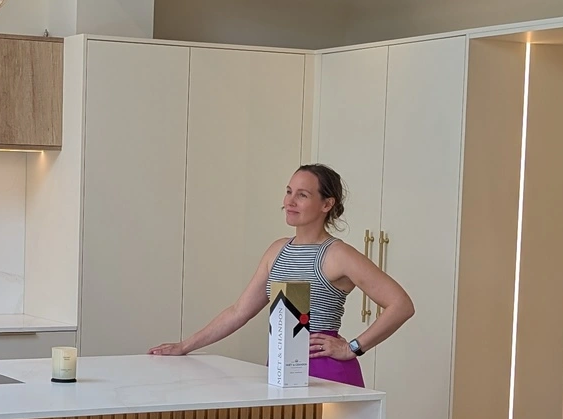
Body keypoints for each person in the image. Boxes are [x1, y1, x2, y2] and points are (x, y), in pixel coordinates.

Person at [151, 163, 413, 386]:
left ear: (326, 204)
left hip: (325, 373)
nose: (290, 201)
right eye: (289, 192)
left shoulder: (338, 254)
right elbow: (239, 312)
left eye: (302, 195)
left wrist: (352, 347)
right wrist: (185, 346)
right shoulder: (277, 251)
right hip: (280, 367)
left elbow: (401, 304)